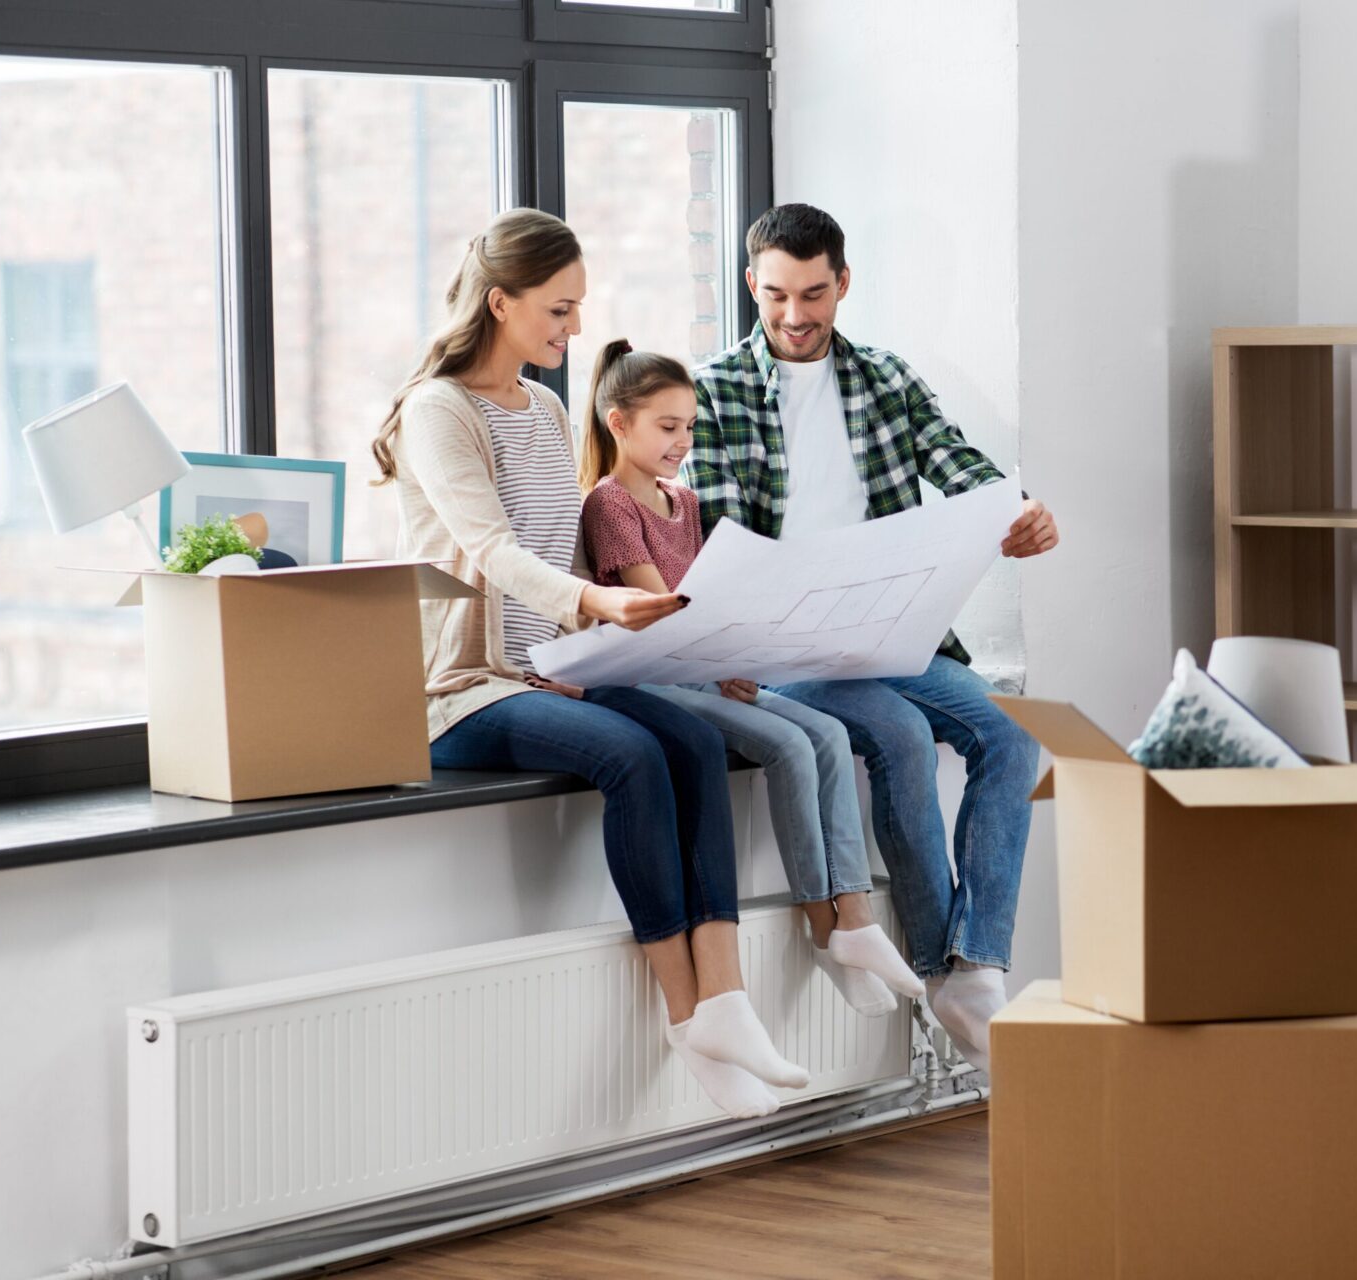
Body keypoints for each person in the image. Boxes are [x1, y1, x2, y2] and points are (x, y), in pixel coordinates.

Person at [370, 207, 807, 1120]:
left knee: (687, 740)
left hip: (550, 663)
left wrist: (610, 637)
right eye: (558, 312)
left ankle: (727, 999)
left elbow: (558, 551)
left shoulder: (544, 406)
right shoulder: (438, 411)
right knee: (632, 756)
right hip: (465, 689)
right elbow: (491, 550)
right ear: (501, 302)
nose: (573, 332)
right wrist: (597, 605)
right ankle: (686, 1015)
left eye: (576, 311)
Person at [684, 203, 1061, 1073]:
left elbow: (956, 461)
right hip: (786, 647)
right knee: (895, 734)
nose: (794, 315)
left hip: (894, 633)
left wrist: (1019, 509)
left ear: (842, 283)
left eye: (814, 293)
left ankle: (979, 963)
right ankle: (937, 966)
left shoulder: (886, 377)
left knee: (1012, 733)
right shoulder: (714, 391)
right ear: (752, 285)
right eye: (776, 294)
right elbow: (719, 541)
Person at [574, 340, 926, 1019]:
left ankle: (852, 914)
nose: (683, 442)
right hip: (658, 684)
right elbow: (663, 618)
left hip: (708, 669)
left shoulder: (684, 500)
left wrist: (738, 650)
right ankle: (826, 932)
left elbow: (711, 599)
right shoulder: (610, 505)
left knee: (824, 730)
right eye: (668, 427)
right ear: (619, 423)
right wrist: (720, 649)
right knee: (791, 746)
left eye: (690, 427)